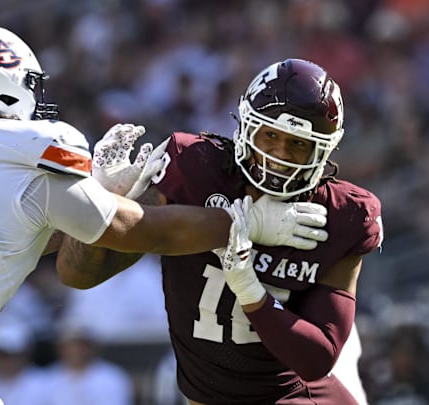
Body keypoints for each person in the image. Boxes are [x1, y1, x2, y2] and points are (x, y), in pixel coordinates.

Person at [0, 26, 330, 405]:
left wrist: (98, 192)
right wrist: (245, 223)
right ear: (3, 85)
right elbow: (134, 230)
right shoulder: (26, 142)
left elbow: (8, 232)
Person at [57, 58, 383, 404]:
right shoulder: (196, 168)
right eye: (270, 136)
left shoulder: (342, 214)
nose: (279, 156)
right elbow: (78, 273)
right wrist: (102, 199)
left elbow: (318, 357)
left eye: (298, 144)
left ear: (323, 150)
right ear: (246, 126)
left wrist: (252, 294)